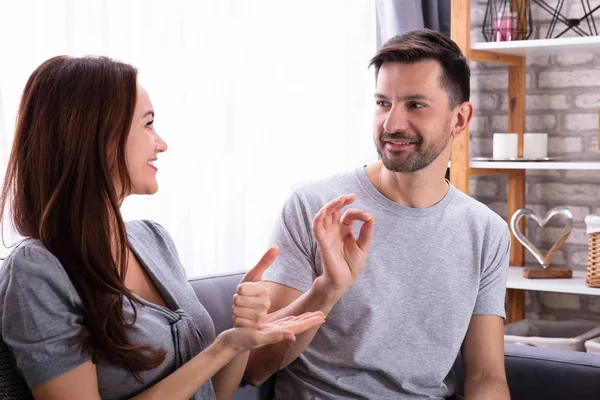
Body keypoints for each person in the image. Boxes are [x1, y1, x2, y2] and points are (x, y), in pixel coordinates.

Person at [0, 55, 326, 400]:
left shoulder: (153, 239)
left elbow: (212, 393)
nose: (161, 143)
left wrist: (240, 336)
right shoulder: (37, 272)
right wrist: (219, 349)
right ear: (97, 136)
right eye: (147, 124)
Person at [244, 29, 511, 399]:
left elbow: (486, 378)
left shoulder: (486, 232)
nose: (391, 124)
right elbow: (257, 368)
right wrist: (329, 289)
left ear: (460, 119)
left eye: (415, 105)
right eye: (383, 103)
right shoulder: (314, 205)